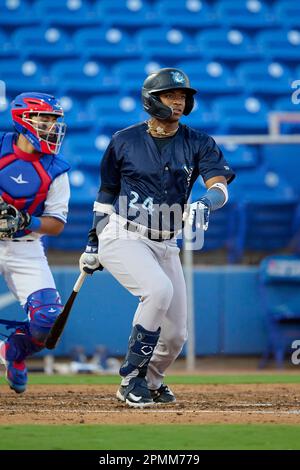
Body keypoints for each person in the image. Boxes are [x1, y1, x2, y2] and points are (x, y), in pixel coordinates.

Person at [79, 68, 235, 408]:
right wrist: (93, 241)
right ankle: (130, 378)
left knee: (177, 333)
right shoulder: (123, 139)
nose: (178, 101)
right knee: (157, 290)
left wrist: (208, 202)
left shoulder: (198, 142)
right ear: (152, 100)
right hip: (123, 233)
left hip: (166, 241)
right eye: (170, 95)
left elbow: (219, 185)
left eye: (183, 96)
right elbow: (106, 192)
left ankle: (151, 381)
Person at [0, 92, 70, 393]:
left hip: (24, 245)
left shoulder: (56, 168)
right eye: (44, 118)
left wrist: (28, 221)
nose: (51, 126)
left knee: (47, 319)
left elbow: (56, 224)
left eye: (54, 120)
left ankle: (15, 350)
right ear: (22, 118)